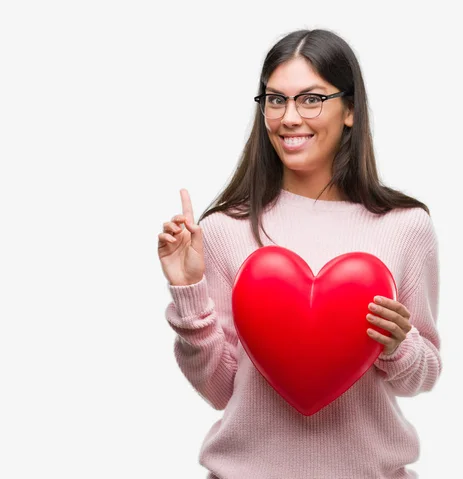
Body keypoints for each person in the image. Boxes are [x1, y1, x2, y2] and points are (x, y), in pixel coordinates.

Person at [157, 28, 441, 479]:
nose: (289, 117)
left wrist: (399, 344)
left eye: (311, 99)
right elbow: (222, 389)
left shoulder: (405, 226)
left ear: (349, 110)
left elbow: (423, 375)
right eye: (275, 100)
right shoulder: (224, 228)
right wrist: (188, 291)